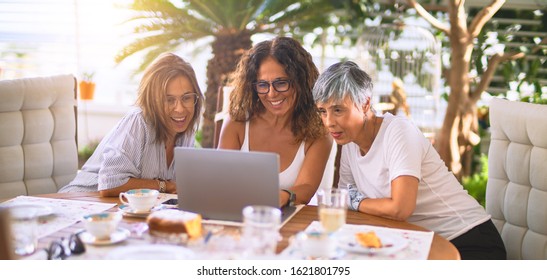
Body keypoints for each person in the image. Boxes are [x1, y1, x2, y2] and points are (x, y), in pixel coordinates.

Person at [312, 61, 506, 260]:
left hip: (468, 241)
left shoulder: (398, 132)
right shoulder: (349, 143)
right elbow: (347, 205)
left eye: (338, 110)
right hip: (416, 243)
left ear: (365, 104)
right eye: (322, 111)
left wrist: (356, 201)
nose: (329, 122)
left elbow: (400, 208)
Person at [59, 53, 204, 196]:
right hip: (82, 202)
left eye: (186, 98)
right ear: (153, 101)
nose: (180, 109)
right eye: (169, 100)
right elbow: (111, 184)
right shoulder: (140, 121)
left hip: (128, 211)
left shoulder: (186, 130)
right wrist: (164, 186)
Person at [218, 36, 333, 207]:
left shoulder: (318, 132)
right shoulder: (237, 122)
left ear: (300, 81)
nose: (272, 94)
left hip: (286, 222)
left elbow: (306, 188)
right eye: (263, 85)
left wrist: (284, 196)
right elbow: (219, 178)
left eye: (281, 83)